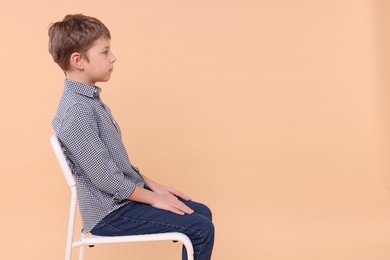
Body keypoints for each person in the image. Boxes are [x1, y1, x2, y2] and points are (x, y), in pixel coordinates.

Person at [48, 14, 214, 260]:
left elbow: (114, 164)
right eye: (104, 52)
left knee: (201, 213)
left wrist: (152, 185)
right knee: (200, 228)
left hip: (121, 202)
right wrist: (154, 199)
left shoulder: (89, 101)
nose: (113, 58)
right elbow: (106, 179)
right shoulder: (77, 112)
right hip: (110, 213)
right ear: (78, 60)